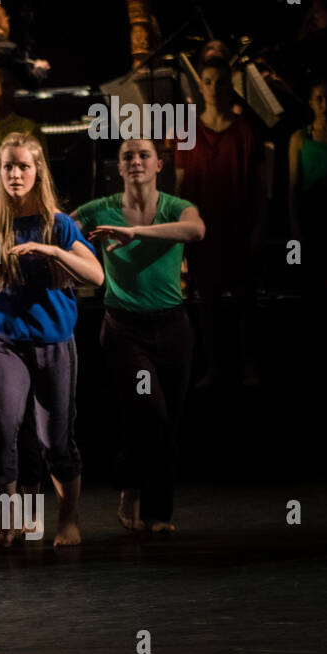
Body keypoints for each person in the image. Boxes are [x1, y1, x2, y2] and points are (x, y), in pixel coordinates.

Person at [0, 132, 102, 547]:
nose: (14, 173)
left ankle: (67, 521)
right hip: (4, 341)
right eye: (8, 166)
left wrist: (54, 254)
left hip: (53, 343)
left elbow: (97, 277)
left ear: (37, 172)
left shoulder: (57, 225)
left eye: (23, 166)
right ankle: (8, 519)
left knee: (55, 442)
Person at [73, 139, 205, 534]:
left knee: (168, 420)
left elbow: (196, 230)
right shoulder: (101, 209)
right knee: (152, 413)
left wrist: (136, 232)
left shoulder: (174, 207)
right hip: (124, 329)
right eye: (128, 156)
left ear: (158, 165)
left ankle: (154, 509)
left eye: (143, 155)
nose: (135, 161)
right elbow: (61, 225)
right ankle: (138, 494)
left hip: (173, 325)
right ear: (119, 167)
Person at [176, 57, 265, 387]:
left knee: (246, 302)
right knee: (208, 304)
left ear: (231, 87)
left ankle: (250, 367)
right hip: (204, 232)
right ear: (201, 87)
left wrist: (259, 226)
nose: (214, 88)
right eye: (209, 82)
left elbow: (259, 186)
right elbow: (181, 187)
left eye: (221, 82)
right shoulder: (188, 132)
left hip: (238, 228)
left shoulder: (245, 133)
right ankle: (215, 367)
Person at [288, 78, 327, 301]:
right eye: (319, 99)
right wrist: (294, 226)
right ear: (311, 102)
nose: (324, 105)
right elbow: (292, 185)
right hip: (311, 210)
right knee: (310, 277)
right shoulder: (299, 138)